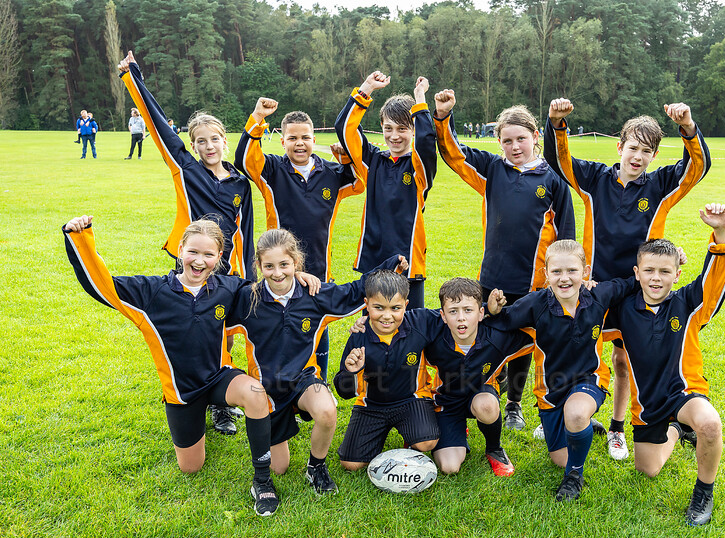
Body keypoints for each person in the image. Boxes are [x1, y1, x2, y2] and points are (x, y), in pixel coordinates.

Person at [63, 216, 279, 517]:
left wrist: (301, 279)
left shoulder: (228, 288)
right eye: (193, 251)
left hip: (219, 378)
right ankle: (199, 419)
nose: (199, 260)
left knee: (256, 392)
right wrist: (79, 238)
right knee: (192, 467)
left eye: (208, 254)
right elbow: (102, 287)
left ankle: (262, 480)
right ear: (180, 250)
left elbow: (270, 294)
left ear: (219, 258)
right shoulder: (151, 293)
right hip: (182, 392)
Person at [544, 98, 711, 460]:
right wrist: (556, 123)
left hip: (640, 292)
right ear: (619, 147)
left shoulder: (660, 185)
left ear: (653, 156)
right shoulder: (594, 179)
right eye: (633, 147)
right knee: (577, 350)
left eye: (647, 151)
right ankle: (562, 411)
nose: (638, 156)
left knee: (626, 362)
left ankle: (619, 428)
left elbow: (697, 168)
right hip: (595, 288)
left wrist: (688, 128)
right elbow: (559, 162)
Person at [120, 50, 255, 435]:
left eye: (214, 139)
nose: (209, 146)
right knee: (194, 332)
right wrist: (135, 77)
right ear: (193, 146)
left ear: (224, 141)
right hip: (193, 264)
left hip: (227, 269)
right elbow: (160, 127)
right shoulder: (187, 171)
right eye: (201, 141)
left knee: (229, 331)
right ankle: (193, 397)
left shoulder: (240, 183)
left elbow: (244, 230)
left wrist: (245, 273)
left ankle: (227, 400)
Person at [433, 89, 575, 432]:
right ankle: (485, 394)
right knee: (486, 339)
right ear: (499, 142)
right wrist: (443, 116)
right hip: (492, 278)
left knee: (525, 342)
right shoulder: (492, 170)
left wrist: (564, 277)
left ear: (535, 137)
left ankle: (514, 403)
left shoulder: (553, 181)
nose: (514, 146)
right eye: (507, 140)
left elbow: (566, 238)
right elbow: (454, 155)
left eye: (521, 139)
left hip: (532, 284)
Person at [226, 228, 407, 495]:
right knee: (279, 467)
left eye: (285, 265)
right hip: (266, 389)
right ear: (258, 266)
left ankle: (316, 467)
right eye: (269, 266)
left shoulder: (314, 294)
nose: (278, 273)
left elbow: (354, 291)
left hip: (303, 378)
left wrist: (389, 265)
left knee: (326, 409)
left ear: (296, 263)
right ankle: (279, 433)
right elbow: (213, 307)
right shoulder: (247, 299)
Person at [609, 203, 725, 525]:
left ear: (677, 274)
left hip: (683, 392)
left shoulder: (688, 303)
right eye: (649, 270)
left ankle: (703, 492)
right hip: (647, 403)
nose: (656, 278)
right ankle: (677, 429)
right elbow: (583, 320)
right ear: (636, 273)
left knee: (709, 424)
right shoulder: (622, 309)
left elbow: (714, 280)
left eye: (665, 272)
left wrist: (720, 234)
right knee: (647, 469)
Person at [485, 240, 638, 500]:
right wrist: (494, 308)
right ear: (546, 275)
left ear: (585, 272)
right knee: (559, 457)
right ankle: (580, 425)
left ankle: (574, 476)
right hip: (551, 392)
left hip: (589, 378)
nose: (564, 278)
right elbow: (505, 319)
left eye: (572, 271)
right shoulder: (535, 303)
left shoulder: (599, 295)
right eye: (556, 272)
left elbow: (634, 282)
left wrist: (671, 261)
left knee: (576, 415)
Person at [235, 100, 362, 376]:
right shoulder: (272, 170)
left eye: (305, 137)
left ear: (314, 140)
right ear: (282, 141)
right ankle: (277, 379)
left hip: (318, 265)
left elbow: (362, 178)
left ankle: (320, 380)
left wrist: (345, 158)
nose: (300, 143)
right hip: (279, 267)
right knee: (279, 322)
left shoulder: (331, 173)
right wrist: (257, 117)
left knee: (318, 321)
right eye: (292, 138)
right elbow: (244, 159)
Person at [335, 71, 436, 308]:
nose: (394, 136)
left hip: (408, 265)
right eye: (388, 128)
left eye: (402, 129)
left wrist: (420, 98)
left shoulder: (419, 168)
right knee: (370, 331)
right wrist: (366, 88)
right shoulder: (371, 162)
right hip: (373, 262)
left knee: (410, 333)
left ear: (412, 130)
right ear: (381, 126)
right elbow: (345, 128)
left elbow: (427, 142)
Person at [333, 270, 440, 472]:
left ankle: (414, 432)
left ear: (406, 305)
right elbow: (344, 391)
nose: (387, 316)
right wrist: (351, 372)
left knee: (426, 442)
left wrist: (488, 310)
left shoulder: (420, 321)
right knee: (351, 464)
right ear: (367, 304)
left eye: (395, 308)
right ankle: (376, 434)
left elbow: (454, 314)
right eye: (379, 308)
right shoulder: (359, 335)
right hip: (372, 405)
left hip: (411, 399)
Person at [427, 278, 534, 477]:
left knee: (486, 405)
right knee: (450, 467)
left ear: (481, 313)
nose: (461, 318)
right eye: (453, 311)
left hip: (481, 393)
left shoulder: (496, 337)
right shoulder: (433, 337)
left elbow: (539, 329)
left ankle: (494, 448)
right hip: (447, 400)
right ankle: (456, 429)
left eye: (468, 310)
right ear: (442, 316)